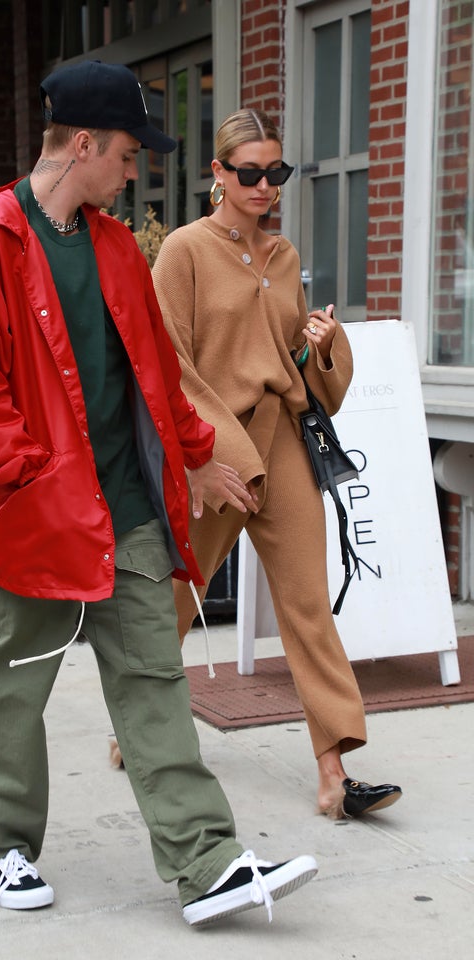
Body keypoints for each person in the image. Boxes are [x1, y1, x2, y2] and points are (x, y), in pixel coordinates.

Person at [0, 61, 318, 926]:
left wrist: (195, 454)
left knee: (152, 681)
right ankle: (1, 849)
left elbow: (154, 376)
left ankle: (206, 863)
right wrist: (34, 480)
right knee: (13, 687)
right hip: (36, 519)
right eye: (130, 151)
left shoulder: (110, 246)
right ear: (82, 145)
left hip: (128, 510)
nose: (137, 168)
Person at [151, 108, 403, 822]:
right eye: (252, 173)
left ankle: (334, 772)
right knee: (174, 597)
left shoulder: (284, 256)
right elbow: (170, 362)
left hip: (282, 441)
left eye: (277, 173)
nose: (266, 186)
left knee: (307, 604)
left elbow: (296, 363)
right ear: (220, 175)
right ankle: (135, 724)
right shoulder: (183, 252)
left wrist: (322, 343)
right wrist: (207, 455)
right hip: (214, 450)